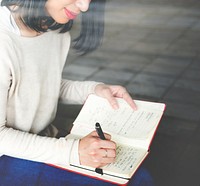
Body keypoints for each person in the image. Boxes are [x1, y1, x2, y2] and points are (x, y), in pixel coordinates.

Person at [0, 0, 138, 173]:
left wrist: (94, 90)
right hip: (8, 157)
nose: (85, 6)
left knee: (136, 173)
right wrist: (75, 151)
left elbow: (38, 87)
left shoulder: (54, 28)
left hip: (43, 141)